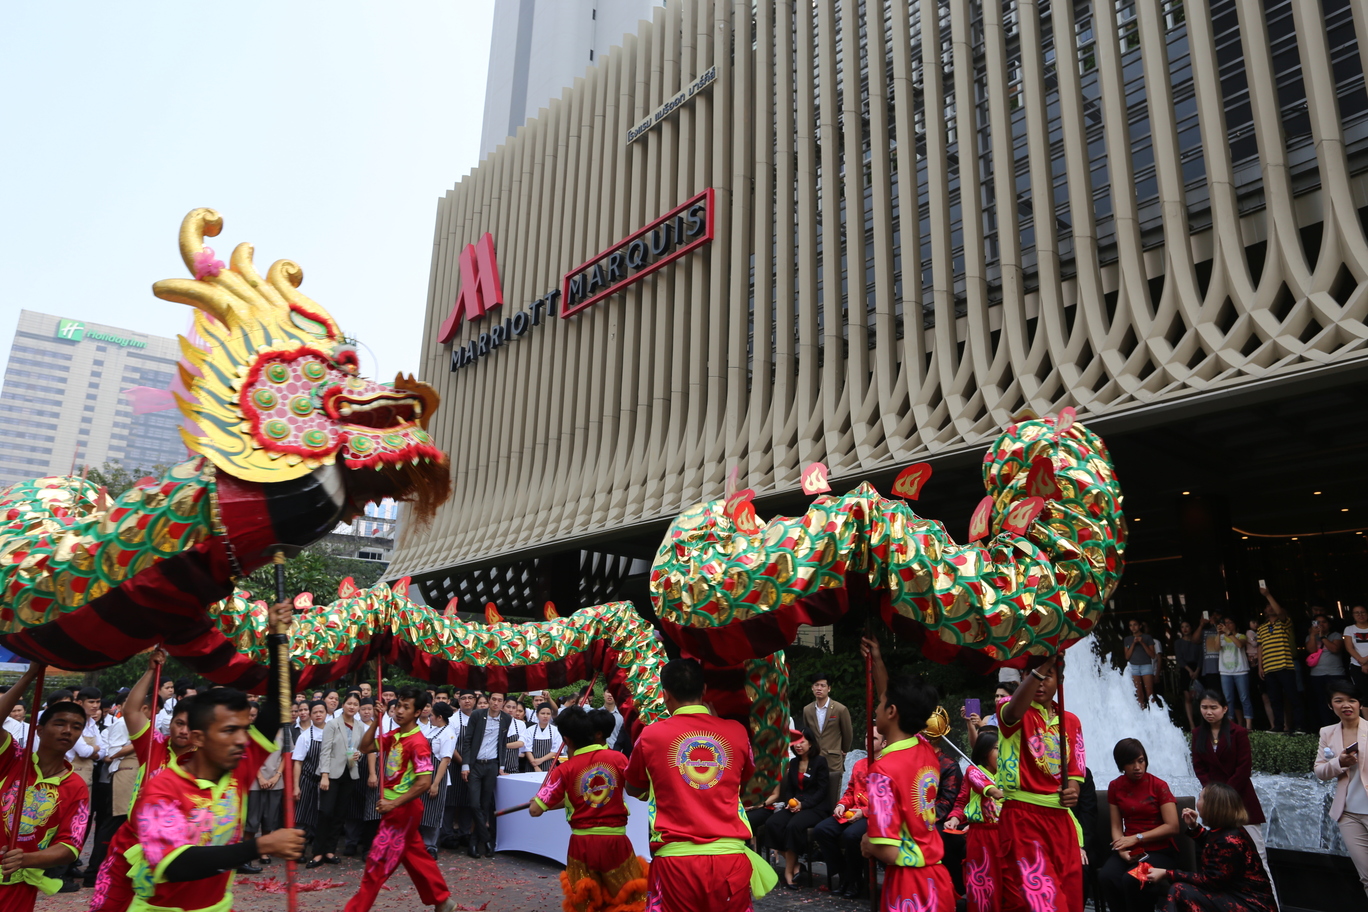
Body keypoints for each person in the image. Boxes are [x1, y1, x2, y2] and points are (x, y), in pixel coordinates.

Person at [100, 602, 304, 912]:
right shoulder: (162, 790)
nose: (241, 740)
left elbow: (277, 707)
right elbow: (175, 864)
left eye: (243, 729)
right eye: (228, 731)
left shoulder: (238, 767)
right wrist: (259, 845)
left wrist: (277, 638)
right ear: (198, 738)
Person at [624, 658, 773, 911]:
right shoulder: (736, 732)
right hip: (730, 861)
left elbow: (632, 787)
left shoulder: (650, 735)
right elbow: (743, 776)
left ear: (665, 694)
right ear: (704, 691)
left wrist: (662, 787)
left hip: (675, 863)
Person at [856, 652, 956, 911]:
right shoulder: (926, 751)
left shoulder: (881, 772)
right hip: (938, 880)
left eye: (881, 705)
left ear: (891, 711)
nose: (875, 708)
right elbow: (889, 699)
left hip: (908, 888)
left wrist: (869, 844)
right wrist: (877, 660)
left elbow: (888, 851)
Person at [343, 687, 455, 912]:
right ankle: (442, 900)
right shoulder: (394, 735)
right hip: (396, 810)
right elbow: (365, 747)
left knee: (376, 865)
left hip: (402, 810)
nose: (400, 711)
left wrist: (393, 803)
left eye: (406, 707)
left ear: (417, 712)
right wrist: (376, 720)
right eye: (399, 706)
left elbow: (424, 782)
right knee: (415, 856)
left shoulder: (418, 742)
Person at [529, 707, 647, 912]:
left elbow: (535, 810)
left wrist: (540, 801)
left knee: (586, 902)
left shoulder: (564, 769)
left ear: (567, 740)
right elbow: (637, 790)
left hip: (581, 846)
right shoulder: (618, 759)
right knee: (627, 899)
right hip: (615, 842)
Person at [995, 654, 1085, 912]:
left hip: (1061, 821)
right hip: (1023, 819)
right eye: (1034, 675)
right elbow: (1013, 712)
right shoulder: (1009, 708)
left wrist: (1073, 792)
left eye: (1049, 675)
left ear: (1061, 679)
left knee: (1070, 899)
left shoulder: (1071, 721)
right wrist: (1041, 668)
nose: (1042, 681)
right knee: (1042, 902)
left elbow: (1075, 770)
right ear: (1023, 678)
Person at [0, 666, 90, 912]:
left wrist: (25, 859)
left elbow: (70, 847)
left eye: (76, 726)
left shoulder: (77, 787)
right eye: (59, 723)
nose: (67, 731)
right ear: (39, 729)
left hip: (16, 884)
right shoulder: (13, 759)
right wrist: (30, 674)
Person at [1144, 782, 1276, 912]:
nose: (1197, 802)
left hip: (1251, 905)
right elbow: (1213, 846)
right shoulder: (1228, 831)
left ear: (1211, 806)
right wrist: (1194, 827)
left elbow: (1209, 881)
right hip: (1238, 897)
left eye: (1200, 797)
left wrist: (1167, 873)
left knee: (1180, 890)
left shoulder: (1230, 840)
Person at [1189, 689, 1270, 879]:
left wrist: (1225, 794)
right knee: (1224, 856)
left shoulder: (1239, 732)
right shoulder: (1197, 733)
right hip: (1215, 802)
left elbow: (1243, 768)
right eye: (1204, 707)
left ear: (1224, 709)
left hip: (1242, 799)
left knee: (1258, 856)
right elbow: (1199, 767)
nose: (1209, 712)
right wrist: (1213, 793)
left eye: (1213, 707)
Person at [1097, 738, 1179, 912]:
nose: (1137, 767)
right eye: (1130, 763)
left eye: (1141, 761)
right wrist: (1122, 851)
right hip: (1132, 851)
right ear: (1121, 765)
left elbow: (1173, 826)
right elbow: (1116, 826)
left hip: (1159, 851)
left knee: (1132, 879)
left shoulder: (1158, 786)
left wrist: (1136, 838)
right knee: (1107, 876)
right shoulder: (1115, 786)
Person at [752, 727, 828, 889]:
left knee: (793, 826)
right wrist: (791, 802)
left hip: (815, 807)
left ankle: (788, 872)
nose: (799, 745)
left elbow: (822, 791)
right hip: (795, 804)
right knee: (773, 823)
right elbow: (790, 790)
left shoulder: (820, 762)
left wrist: (804, 805)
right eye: (797, 742)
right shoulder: (793, 762)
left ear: (811, 743)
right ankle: (796, 866)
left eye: (803, 742)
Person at [813, 729, 884, 900]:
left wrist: (864, 812)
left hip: (874, 815)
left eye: (874, 738)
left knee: (851, 835)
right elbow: (850, 790)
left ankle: (855, 881)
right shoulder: (859, 764)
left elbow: (887, 801)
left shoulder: (887, 764)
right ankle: (846, 875)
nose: (868, 740)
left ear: (884, 743)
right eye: (867, 736)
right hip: (852, 811)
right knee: (822, 829)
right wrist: (841, 805)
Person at [1314, 677, 1368, 898]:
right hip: (1348, 815)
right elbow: (1319, 770)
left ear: (1359, 704)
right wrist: (1339, 763)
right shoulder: (1327, 733)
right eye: (1339, 700)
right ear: (1330, 705)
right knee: (1366, 876)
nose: (1346, 705)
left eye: (1352, 700)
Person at [944, 729, 1003, 912]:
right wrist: (954, 817)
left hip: (1006, 834)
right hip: (982, 837)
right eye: (996, 749)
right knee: (983, 883)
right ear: (985, 752)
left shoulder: (1008, 774)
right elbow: (963, 800)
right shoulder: (973, 771)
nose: (1002, 754)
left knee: (1005, 882)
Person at [459, 690, 511, 859]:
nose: (496, 703)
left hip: (492, 765)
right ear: (488, 700)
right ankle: (487, 839)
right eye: (493, 699)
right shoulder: (477, 715)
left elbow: (503, 744)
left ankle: (474, 843)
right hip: (475, 765)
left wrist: (501, 765)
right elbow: (467, 740)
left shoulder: (506, 719)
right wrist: (465, 765)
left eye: (499, 700)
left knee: (485, 804)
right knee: (474, 804)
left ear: (503, 703)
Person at [315, 691, 364, 866]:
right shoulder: (333, 724)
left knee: (339, 814)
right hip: (332, 774)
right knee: (325, 812)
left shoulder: (359, 726)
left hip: (350, 772)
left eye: (355, 704)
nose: (352, 707)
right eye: (349, 703)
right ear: (343, 705)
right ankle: (317, 852)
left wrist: (359, 754)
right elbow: (325, 751)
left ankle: (330, 850)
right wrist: (324, 775)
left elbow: (358, 749)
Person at [801, 672, 853, 810]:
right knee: (814, 791)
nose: (819, 688)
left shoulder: (840, 709)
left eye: (823, 685)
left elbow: (847, 733)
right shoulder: (807, 710)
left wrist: (844, 750)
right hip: (814, 758)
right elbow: (807, 733)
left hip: (833, 758)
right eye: (816, 685)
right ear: (812, 688)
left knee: (832, 793)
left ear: (829, 688)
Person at [1256, 587, 1304, 733]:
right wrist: (1260, 666)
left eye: (1272, 605)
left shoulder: (1285, 622)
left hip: (1285, 666)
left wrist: (1268, 594)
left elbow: (1280, 613)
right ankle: (1278, 726)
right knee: (1275, 699)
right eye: (1267, 605)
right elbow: (1260, 647)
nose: (1270, 607)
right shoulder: (1261, 628)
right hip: (1269, 668)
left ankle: (1300, 726)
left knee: (1293, 697)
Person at [293, 700, 328, 863]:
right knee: (303, 818)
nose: (318, 715)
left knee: (323, 818)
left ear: (326, 713)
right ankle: (298, 851)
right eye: (315, 712)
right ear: (310, 715)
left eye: (321, 712)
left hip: (327, 781)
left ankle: (320, 851)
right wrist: (295, 787)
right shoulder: (305, 736)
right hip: (307, 780)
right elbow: (298, 763)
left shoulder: (333, 732)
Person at [420, 703, 456, 854]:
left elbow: (445, 761)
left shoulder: (448, 734)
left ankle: (430, 845)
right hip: (423, 773)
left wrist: (435, 784)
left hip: (436, 776)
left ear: (440, 717)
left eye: (432, 715)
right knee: (420, 810)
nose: (430, 717)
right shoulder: (431, 729)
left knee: (433, 811)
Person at [1307, 613, 1347, 729]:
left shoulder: (1335, 635)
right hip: (1317, 674)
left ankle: (1342, 726)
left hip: (1335, 673)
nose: (1321, 625)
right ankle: (1326, 726)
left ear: (1329, 624)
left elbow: (1335, 649)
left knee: (1339, 701)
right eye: (1317, 622)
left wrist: (1323, 636)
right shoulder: (1310, 636)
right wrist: (1313, 636)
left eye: (1323, 622)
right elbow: (1311, 650)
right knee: (1322, 702)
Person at [1216, 616, 1253, 728]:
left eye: (1229, 623)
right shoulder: (1221, 637)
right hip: (1225, 672)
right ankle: (1230, 724)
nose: (1227, 625)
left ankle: (1248, 725)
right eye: (1225, 623)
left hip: (1240, 671)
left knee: (1244, 697)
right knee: (1228, 698)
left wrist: (1229, 633)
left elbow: (1240, 644)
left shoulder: (1241, 636)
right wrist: (1218, 634)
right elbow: (1216, 648)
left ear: (1235, 624)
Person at [1174, 621, 1205, 731]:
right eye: (1182, 627)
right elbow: (1179, 658)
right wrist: (1190, 671)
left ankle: (1203, 723)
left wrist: (1197, 670)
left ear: (1191, 628)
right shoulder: (1178, 643)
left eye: (1187, 626)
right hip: (1185, 669)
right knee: (1187, 697)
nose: (1185, 629)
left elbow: (1202, 657)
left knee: (1201, 696)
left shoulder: (1197, 641)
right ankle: (1192, 724)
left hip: (1198, 668)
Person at [1124, 619, 1158, 708]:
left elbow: (1152, 655)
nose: (1133, 627)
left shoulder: (1147, 637)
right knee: (1138, 694)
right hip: (1133, 666)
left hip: (1146, 666)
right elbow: (1127, 657)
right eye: (1131, 625)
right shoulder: (1127, 639)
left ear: (1140, 626)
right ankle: (1142, 712)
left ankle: (1154, 714)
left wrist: (1142, 642)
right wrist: (1133, 644)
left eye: (1135, 624)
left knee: (1150, 693)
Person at [527, 704, 563, 772]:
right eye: (542, 713)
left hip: (550, 766)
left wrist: (541, 760)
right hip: (532, 766)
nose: (545, 716)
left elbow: (556, 750)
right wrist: (535, 765)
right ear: (537, 715)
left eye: (548, 714)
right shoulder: (530, 730)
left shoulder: (555, 730)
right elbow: (527, 750)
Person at [1343, 605, 1368, 700]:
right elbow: (1349, 648)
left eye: (1363, 612)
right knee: (1364, 696)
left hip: (1363, 662)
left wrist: (1365, 660)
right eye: (1357, 613)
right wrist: (1362, 662)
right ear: (1352, 615)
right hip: (1357, 665)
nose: (1360, 615)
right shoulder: (1349, 629)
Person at [501, 698, 528, 773]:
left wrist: (502, 746)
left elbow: (521, 743)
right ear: (502, 707)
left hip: (513, 766)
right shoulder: (497, 722)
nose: (511, 710)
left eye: (513, 708)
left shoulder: (520, 724)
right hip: (495, 767)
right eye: (508, 707)